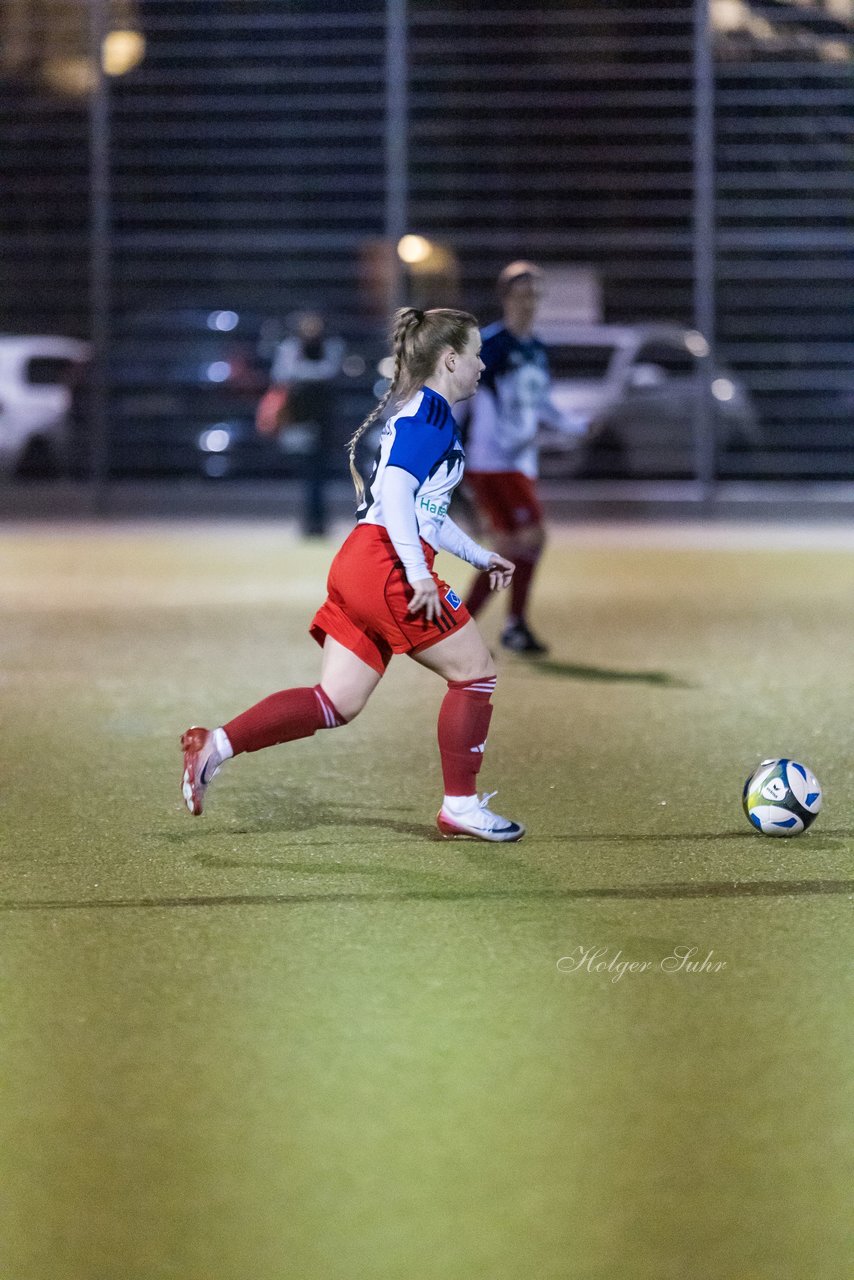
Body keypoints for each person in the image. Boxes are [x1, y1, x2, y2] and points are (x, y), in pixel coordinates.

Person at [180, 307, 525, 842]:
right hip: (386, 565)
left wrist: (480, 556)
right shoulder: (431, 415)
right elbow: (393, 490)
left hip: (359, 560)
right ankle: (460, 805)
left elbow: (423, 513)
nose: (482, 365)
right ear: (451, 359)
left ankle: (215, 746)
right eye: (476, 354)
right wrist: (418, 573)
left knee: (336, 701)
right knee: (475, 672)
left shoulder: (425, 413)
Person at [462, 260, 580, 655]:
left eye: (535, 294)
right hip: (493, 462)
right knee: (528, 539)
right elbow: (460, 397)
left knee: (514, 545)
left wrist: (575, 426)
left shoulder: (536, 346)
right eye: (522, 294)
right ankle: (484, 628)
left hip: (520, 463)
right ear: (506, 297)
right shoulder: (489, 344)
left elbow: (541, 402)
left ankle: (489, 627)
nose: (529, 302)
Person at [267, 310, 346, 537]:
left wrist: (303, 373)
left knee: (319, 474)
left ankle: (319, 523)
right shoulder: (291, 347)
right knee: (309, 473)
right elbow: (282, 375)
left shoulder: (330, 345)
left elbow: (330, 372)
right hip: (301, 418)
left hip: (323, 419)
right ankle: (310, 523)